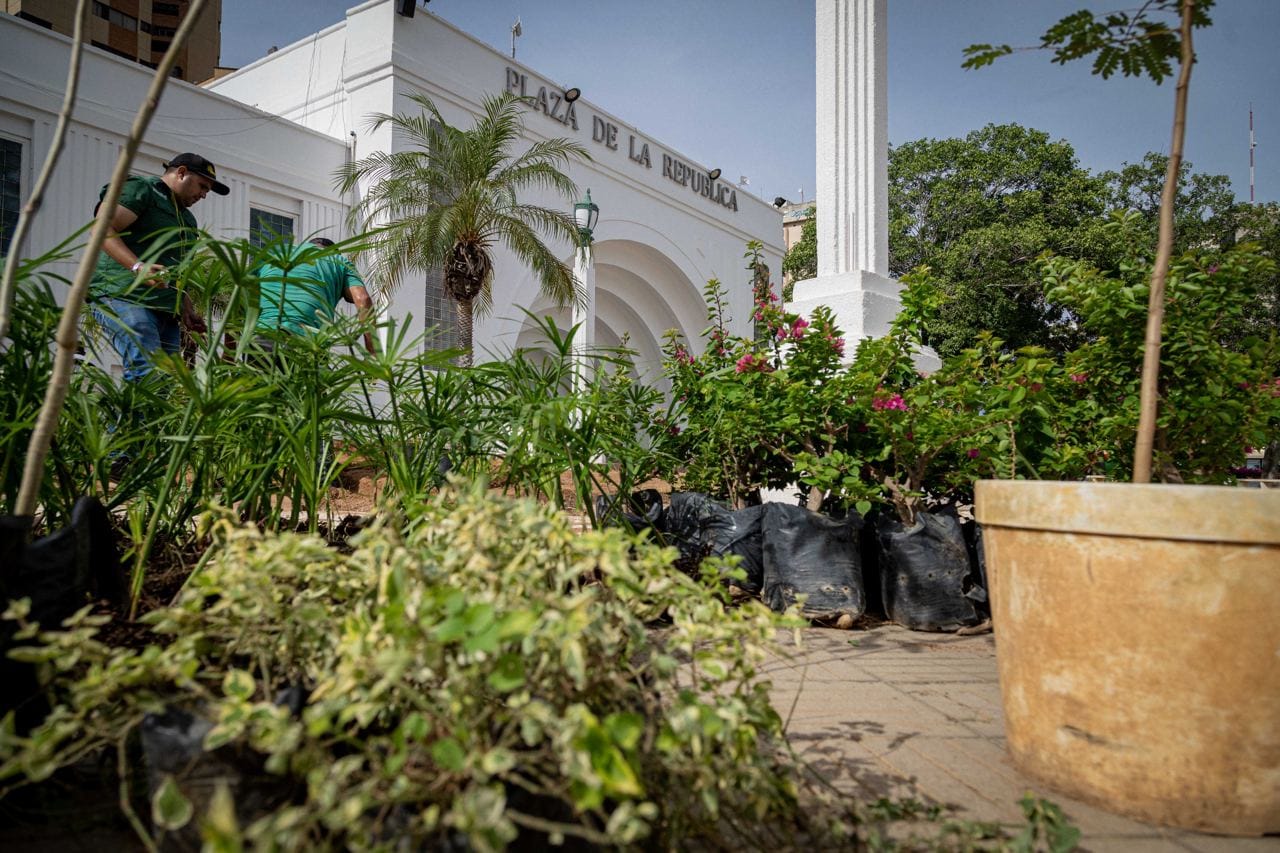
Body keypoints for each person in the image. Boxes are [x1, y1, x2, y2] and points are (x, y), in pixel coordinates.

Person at [88, 153, 227, 381]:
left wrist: (187, 308)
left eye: (207, 191)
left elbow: (177, 270)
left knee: (165, 382)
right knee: (148, 372)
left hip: (164, 310)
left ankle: (130, 417)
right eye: (202, 186)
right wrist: (138, 267)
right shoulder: (141, 190)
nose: (203, 195)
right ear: (181, 172)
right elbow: (102, 229)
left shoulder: (187, 220)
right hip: (124, 296)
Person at [253, 237, 376, 356]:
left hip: (262, 334)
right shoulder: (339, 261)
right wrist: (372, 353)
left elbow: (239, 292)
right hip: (308, 340)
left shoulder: (273, 254)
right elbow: (363, 299)